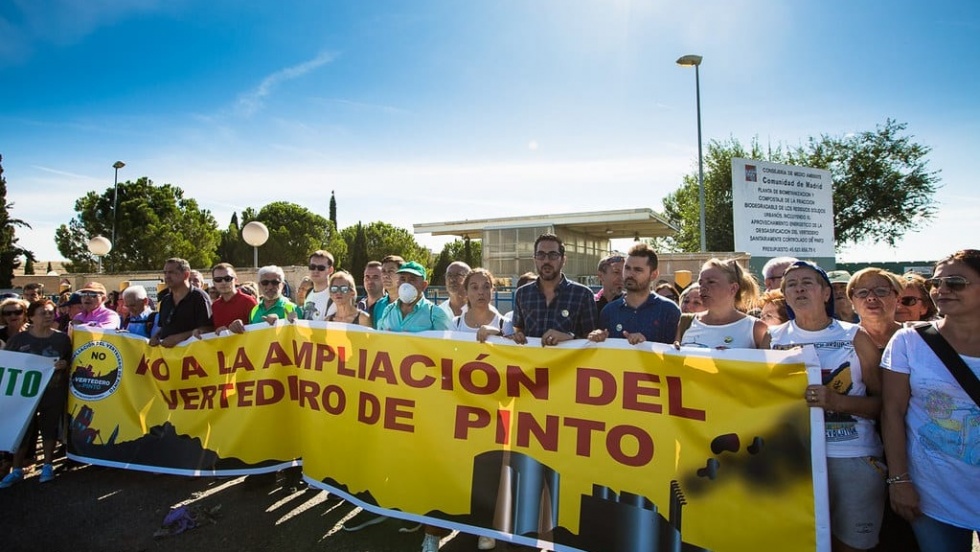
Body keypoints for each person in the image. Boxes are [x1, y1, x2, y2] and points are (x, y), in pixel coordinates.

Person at [769, 261, 885, 552]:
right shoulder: (771, 340)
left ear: (825, 293)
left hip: (852, 456)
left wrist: (837, 402)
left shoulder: (854, 337)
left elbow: (883, 404)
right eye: (791, 284)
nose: (799, 288)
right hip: (795, 458)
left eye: (807, 282)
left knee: (854, 545)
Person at [881, 250, 980, 551]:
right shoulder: (909, 341)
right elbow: (892, 412)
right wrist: (899, 481)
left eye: (956, 282)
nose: (942, 290)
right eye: (936, 283)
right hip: (934, 494)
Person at [0, 300, 72, 488]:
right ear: (31, 316)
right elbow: (7, 364)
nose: (48, 316)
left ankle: (47, 465)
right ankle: (16, 469)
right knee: (23, 428)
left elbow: (70, 361)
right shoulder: (18, 340)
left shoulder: (62, 339)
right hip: (24, 393)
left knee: (50, 427)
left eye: (50, 312)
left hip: (53, 390)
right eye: (43, 313)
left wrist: (64, 365)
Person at [511, 233, 597, 346]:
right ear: (535, 259)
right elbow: (518, 329)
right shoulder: (522, 294)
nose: (546, 261)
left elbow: (591, 339)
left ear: (563, 260)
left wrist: (570, 338)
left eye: (553, 255)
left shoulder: (583, 295)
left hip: (569, 363)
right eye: (540, 255)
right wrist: (518, 336)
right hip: (533, 363)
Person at [587, 242, 680, 345]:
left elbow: (676, 355)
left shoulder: (669, 310)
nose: (630, 274)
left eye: (638, 270)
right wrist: (597, 338)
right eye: (627, 268)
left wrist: (646, 346)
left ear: (653, 274)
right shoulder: (609, 312)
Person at [677, 258, 768, 349]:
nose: (703, 288)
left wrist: (731, 357)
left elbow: (767, 362)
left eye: (711, 282)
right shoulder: (686, 322)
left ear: (733, 288)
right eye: (700, 283)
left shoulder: (755, 328)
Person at [149, 258, 212, 347]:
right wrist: (156, 336)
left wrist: (179, 338)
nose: (167, 276)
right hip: (168, 357)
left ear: (186, 275)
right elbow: (164, 327)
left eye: (171, 272)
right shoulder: (166, 300)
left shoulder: (199, 297)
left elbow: (208, 329)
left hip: (193, 356)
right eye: (165, 273)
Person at [376, 262, 452, 333]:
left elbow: (445, 345)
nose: (406, 284)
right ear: (398, 283)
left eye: (412, 279)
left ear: (424, 285)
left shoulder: (435, 314)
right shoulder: (388, 310)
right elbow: (378, 340)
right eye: (402, 279)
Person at [229, 265, 299, 333]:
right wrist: (236, 328)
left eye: (275, 282)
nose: (270, 287)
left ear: (283, 285)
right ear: (259, 285)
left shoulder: (294, 309)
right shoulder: (254, 310)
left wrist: (280, 323)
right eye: (265, 283)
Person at [847, 268, 902, 350]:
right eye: (862, 292)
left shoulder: (916, 336)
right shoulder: (844, 339)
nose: (871, 297)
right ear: (852, 302)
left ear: (898, 299)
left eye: (881, 291)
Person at [453, 268, 507, 343]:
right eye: (475, 287)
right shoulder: (456, 325)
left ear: (492, 290)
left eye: (486, 287)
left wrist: (498, 333)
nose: (481, 292)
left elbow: (511, 352)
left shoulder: (505, 324)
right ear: (466, 292)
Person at [209, 263, 258, 333]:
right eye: (218, 279)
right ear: (214, 283)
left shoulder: (248, 301)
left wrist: (242, 326)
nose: (223, 282)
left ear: (235, 280)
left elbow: (260, 328)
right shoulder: (215, 306)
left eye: (227, 278)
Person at [302, 250, 337, 321]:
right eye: (312, 267)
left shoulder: (336, 296)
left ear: (330, 270)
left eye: (321, 268)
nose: (316, 271)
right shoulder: (308, 293)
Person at [372, 255, 404, 328]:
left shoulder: (411, 306)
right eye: (383, 271)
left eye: (391, 271)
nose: (385, 275)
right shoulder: (379, 305)